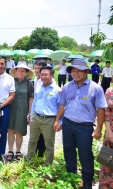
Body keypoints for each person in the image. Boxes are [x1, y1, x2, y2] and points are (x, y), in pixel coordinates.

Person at [53, 59, 107, 189]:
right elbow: (62, 104)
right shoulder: (67, 86)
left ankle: (87, 183)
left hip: (85, 127)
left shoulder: (95, 88)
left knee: (85, 154)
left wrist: (99, 129)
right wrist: (57, 120)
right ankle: (71, 179)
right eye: (73, 71)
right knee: (69, 151)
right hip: (68, 124)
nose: (75, 73)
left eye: (78, 71)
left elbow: (101, 110)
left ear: (86, 72)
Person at [27, 66, 61, 165]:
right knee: (32, 140)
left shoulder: (57, 90)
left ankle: (48, 164)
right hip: (36, 118)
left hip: (49, 120)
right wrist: (31, 115)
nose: (43, 77)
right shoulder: (39, 87)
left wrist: (58, 121)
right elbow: (34, 102)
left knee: (49, 144)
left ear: (52, 75)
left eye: (46, 75)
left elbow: (61, 107)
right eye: (41, 75)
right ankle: (29, 160)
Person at [7, 64, 34, 161]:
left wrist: (30, 112)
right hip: (11, 109)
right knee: (10, 130)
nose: (20, 73)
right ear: (15, 72)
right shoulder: (11, 81)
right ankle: (10, 150)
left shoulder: (29, 84)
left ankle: (18, 151)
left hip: (23, 110)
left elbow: (31, 98)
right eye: (19, 71)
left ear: (26, 72)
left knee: (19, 132)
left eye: (23, 71)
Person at [99, 85, 113, 188]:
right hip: (111, 132)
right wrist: (108, 131)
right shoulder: (110, 91)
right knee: (108, 162)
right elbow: (106, 111)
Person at [33, 60, 47, 157]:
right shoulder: (36, 79)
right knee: (36, 134)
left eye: (39, 68)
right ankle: (37, 153)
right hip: (36, 109)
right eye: (35, 68)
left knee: (44, 135)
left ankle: (42, 154)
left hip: (45, 112)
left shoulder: (47, 81)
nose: (37, 70)